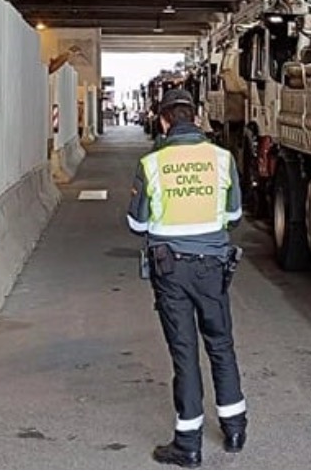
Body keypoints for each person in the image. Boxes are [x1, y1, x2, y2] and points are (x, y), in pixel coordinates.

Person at [128, 88, 247, 468]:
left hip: (170, 269)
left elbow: (137, 223)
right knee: (221, 343)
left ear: (164, 120)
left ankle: (188, 444)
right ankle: (235, 429)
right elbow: (234, 216)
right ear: (195, 117)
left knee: (184, 351)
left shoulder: (152, 163)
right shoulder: (223, 159)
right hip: (213, 267)